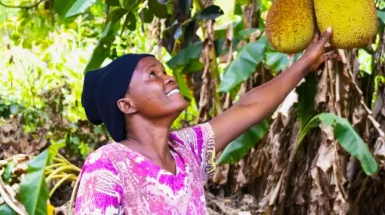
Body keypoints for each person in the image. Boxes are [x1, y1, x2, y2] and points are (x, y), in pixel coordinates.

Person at [74, 28, 338, 214]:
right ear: (127, 105)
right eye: (153, 74)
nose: (168, 77)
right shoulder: (107, 165)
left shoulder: (185, 149)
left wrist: (304, 63)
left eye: (164, 70)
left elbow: (250, 107)